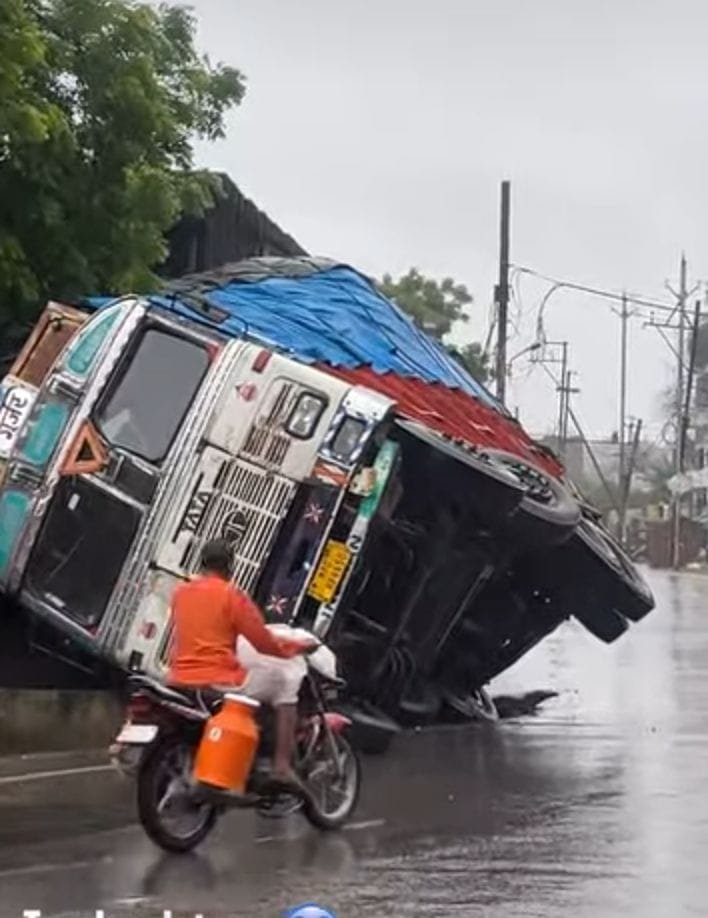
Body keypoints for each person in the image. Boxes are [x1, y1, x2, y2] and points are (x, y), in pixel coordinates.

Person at [167, 538, 316, 786]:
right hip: (219, 680)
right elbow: (263, 643)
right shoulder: (232, 596)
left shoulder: (181, 592)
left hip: (179, 676)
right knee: (285, 683)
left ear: (202, 562)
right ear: (230, 566)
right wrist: (298, 647)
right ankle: (281, 765)